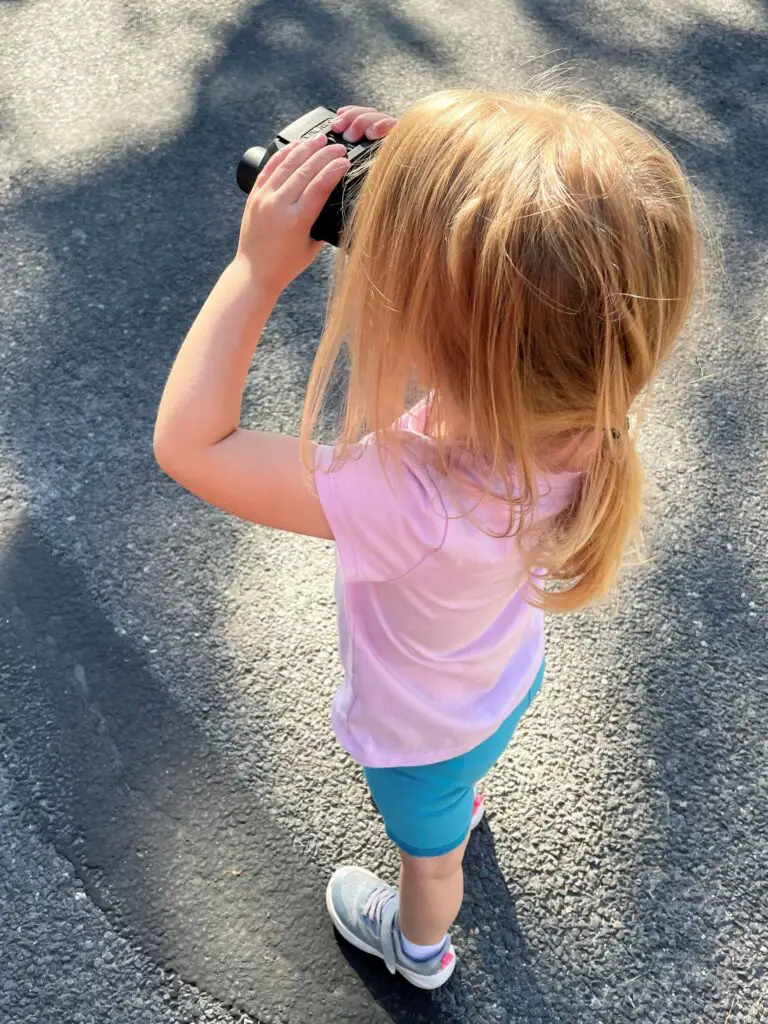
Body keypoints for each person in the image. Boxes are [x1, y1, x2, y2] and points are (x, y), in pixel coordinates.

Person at [153, 89, 699, 990]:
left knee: (430, 865)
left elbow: (191, 446)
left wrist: (256, 271)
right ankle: (465, 804)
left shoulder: (408, 495)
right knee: (458, 794)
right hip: (501, 685)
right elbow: (554, 276)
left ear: (456, 337)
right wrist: (438, 175)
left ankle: (419, 951)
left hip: (419, 740)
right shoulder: (587, 408)